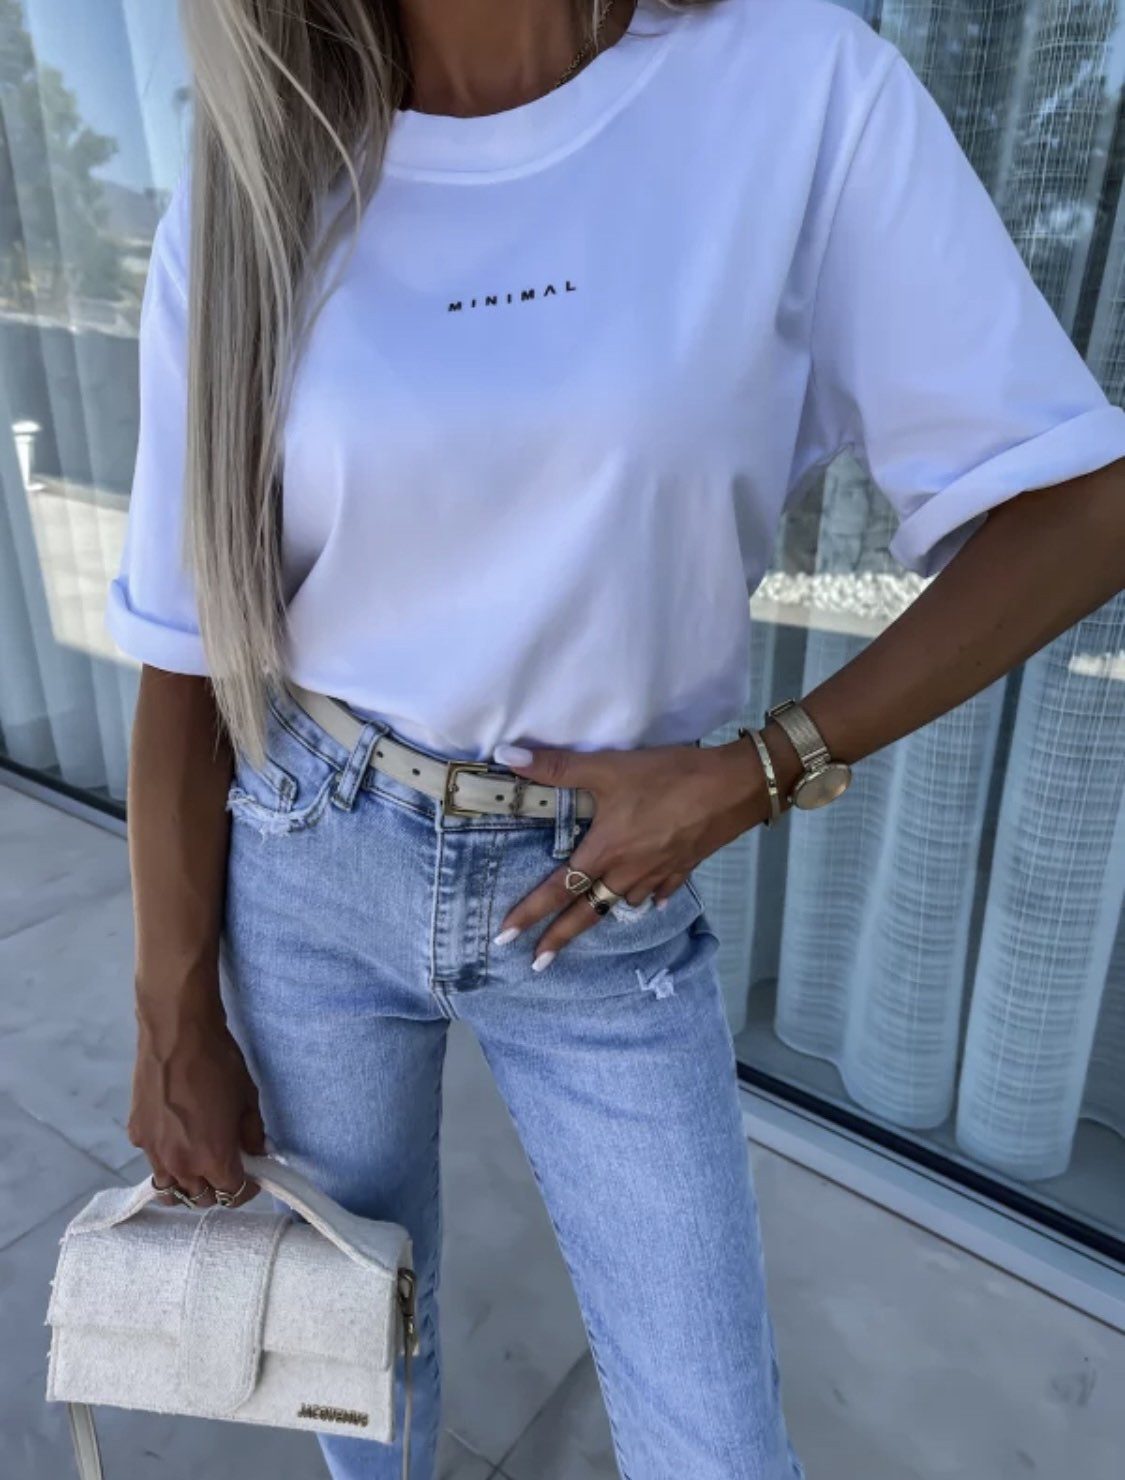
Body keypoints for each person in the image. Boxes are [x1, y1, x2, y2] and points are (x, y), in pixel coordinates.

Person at [107, 1, 1125, 1476]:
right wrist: (171, 1020)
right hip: (314, 845)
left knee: (715, 1441)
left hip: (596, 890)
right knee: (351, 1367)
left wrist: (764, 767)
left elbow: (1081, 508)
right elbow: (186, 653)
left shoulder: (797, 92)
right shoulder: (267, 172)